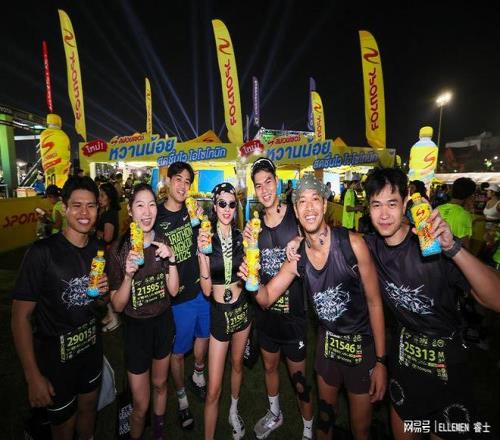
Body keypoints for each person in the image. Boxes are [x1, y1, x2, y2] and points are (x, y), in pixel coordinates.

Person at [244, 175, 387, 440]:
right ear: (296, 210)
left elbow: (375, 302)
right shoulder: (297, 256)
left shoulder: (353, 245)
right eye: (302, 202)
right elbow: (266, 298)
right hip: (327, 348)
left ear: (324, 204)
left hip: (360, 348)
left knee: (361, 429)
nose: (309, 208)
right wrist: (251, 280)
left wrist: (380, 361)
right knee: (325, 422)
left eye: (315, 200)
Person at [362, 167, 500, 439]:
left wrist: (453, 248)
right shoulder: (370, 248)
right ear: (368, 208)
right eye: (376, 205)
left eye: (392, 203)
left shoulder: (430, 242)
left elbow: (495, 299)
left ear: (406, 203)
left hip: (448, 367)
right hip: (404, 365)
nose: (384, 214)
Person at [11, 176, 108, 440]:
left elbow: (97, 304)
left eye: (91, 206)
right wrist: (32, 376)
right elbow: (20, 317)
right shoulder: (42, 253)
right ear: (64, 208)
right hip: (56, 361)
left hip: (91, 351)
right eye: (77, 205)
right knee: (64, 426)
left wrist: (103, 296)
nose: (84, 213)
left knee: (89, 410)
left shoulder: (98, 248)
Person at [245, 158, 313, 440]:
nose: (264, 190)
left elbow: (319, 239)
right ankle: (275, 413)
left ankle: (308, 428)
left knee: (299, 379)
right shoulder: (253, 227)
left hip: (294, 317)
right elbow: (252, 269)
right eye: (258, 185)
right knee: (270, 367)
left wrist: (301, 239)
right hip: (266, 315)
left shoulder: (296, 218)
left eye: (268, 182)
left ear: (277, 182)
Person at [107, 183, 179, 440]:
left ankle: (158, 433)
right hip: (136, 330)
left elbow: (173, 290)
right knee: (140, 404)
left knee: (160, 384)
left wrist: (172, 259)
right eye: (140, 205)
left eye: (151, 205)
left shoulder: (163, 241)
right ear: (130, 210)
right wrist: (128, 276)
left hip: (162, 323)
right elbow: (117, 305)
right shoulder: (118, 250)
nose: (147, 212)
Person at [155, 161, 209, 430]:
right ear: (167, 181)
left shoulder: (193, 211)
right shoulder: (156, 216)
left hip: (202, 290)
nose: (183, 186)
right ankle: (182, 399)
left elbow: (205, 243)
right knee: (177, 353)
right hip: (177, 298)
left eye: (188, 182)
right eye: (178, 179)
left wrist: (203, 222)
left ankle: (198, 373)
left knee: (204, 338)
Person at [197, 183, 251, 440]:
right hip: (220, 312)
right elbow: (207, 290)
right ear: (215, 206)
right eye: (222, 203)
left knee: (237, 364)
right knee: (213, 389)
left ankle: (233, 411)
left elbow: (252, 273)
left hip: (242, 309)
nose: (227, 209)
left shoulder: (242, 237)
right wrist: (201, 256)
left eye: (231, 204)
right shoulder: (207, 238)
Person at [96, 182, 122, 332]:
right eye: (99, 195)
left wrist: (94, 231)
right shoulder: (106, 212)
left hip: (107, 254)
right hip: (105, 253)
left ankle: (114, 317)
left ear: (109, 197)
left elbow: (108, 237)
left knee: (106, 286)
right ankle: (110, 315)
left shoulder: (109, 214)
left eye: (102, 195)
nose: (99, 199)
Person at [437, 177, 476, 249]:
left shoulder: (438, 208)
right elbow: (465, 244)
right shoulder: (464, 215)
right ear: (469, 196)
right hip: (451, 254)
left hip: (435, 252)